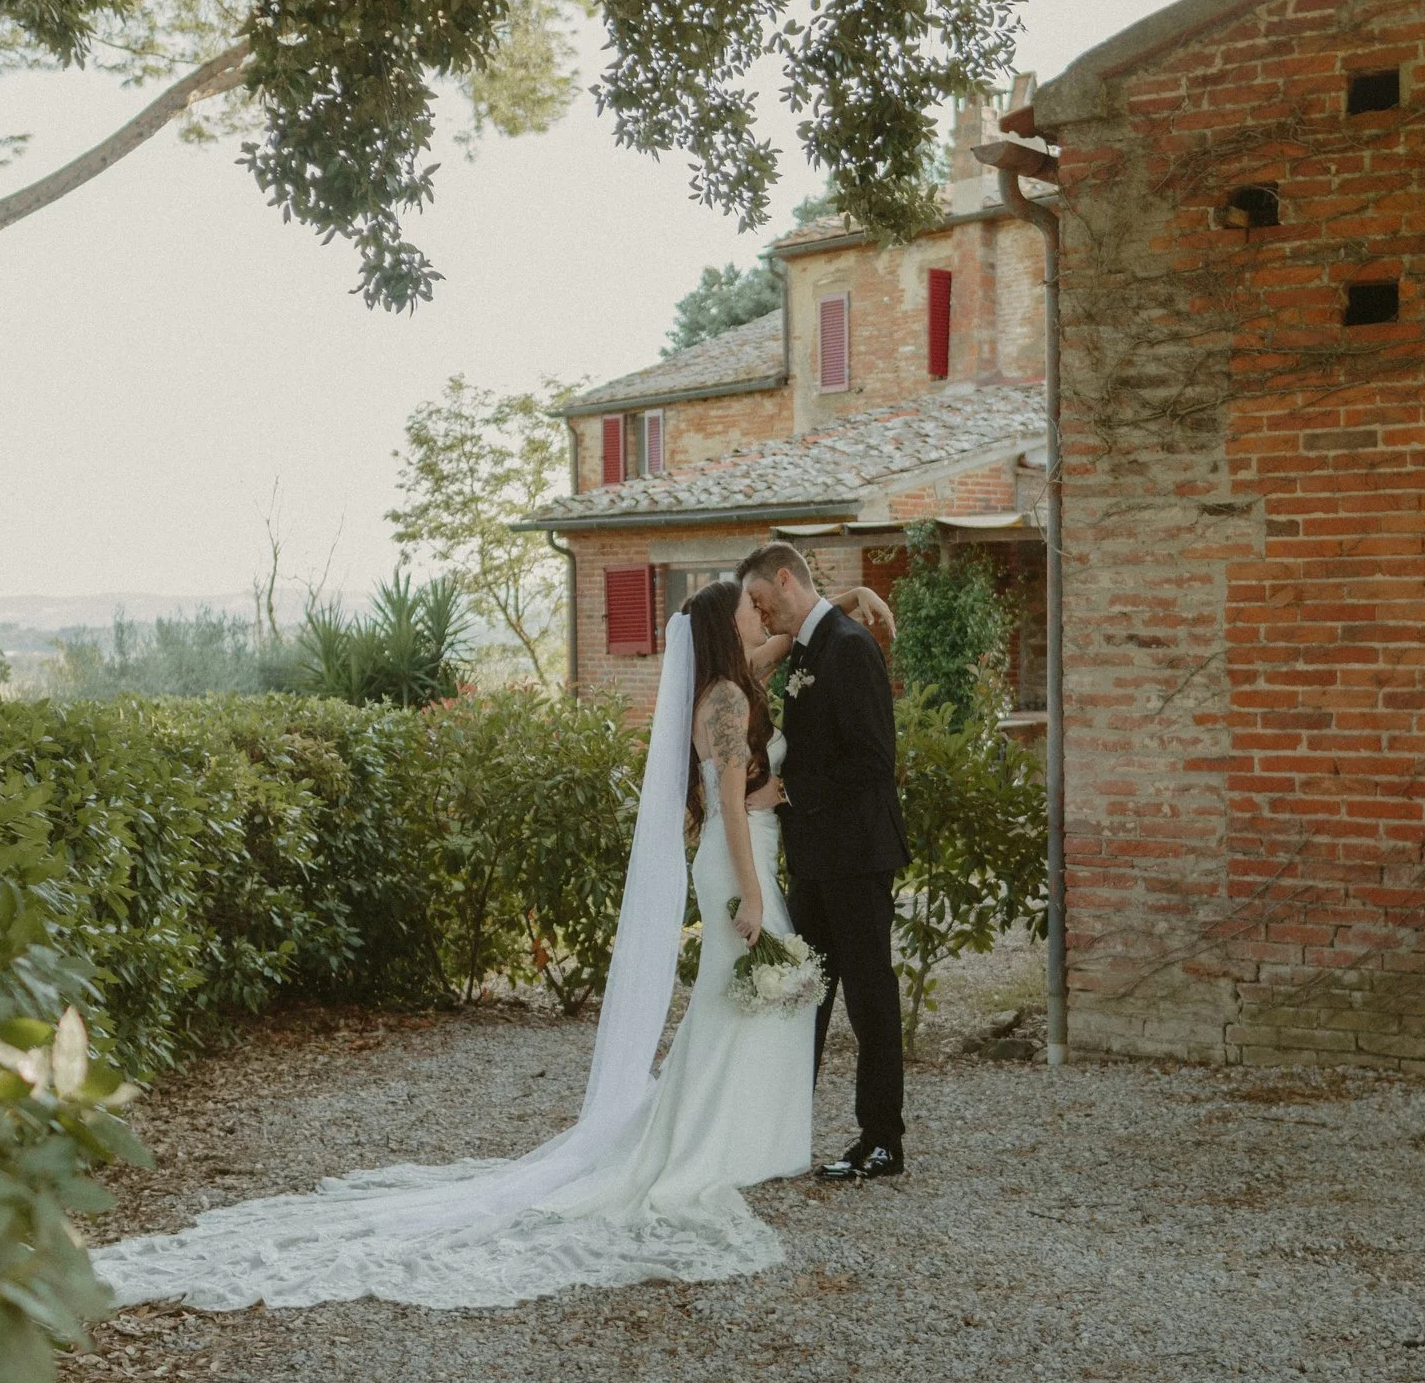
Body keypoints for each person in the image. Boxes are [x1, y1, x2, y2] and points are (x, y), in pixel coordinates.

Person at [87, 578, 886, 1311]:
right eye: (749, 607)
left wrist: (841, 601)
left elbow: (782, 642)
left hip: (742, 858)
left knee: (742, 1001)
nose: (760, 615)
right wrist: (753, 890)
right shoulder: (726, 701)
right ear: (723, 624)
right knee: (733, 1001)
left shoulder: (726, 680)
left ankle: (723, 1136)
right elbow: (732, 803)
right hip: (738, 865)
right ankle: (701, 1146)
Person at [735, 541, 909, 1183]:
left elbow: (874, 760)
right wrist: (853, 594)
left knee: (869, 999)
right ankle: (783, 1133)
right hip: (815, 858)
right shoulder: (809, 646)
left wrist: (787, 791)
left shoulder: (851, 648)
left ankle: (883, 1141)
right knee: (802, 994)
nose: (759, 613)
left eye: (760, 600)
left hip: (858, 855)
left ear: (785, 580)